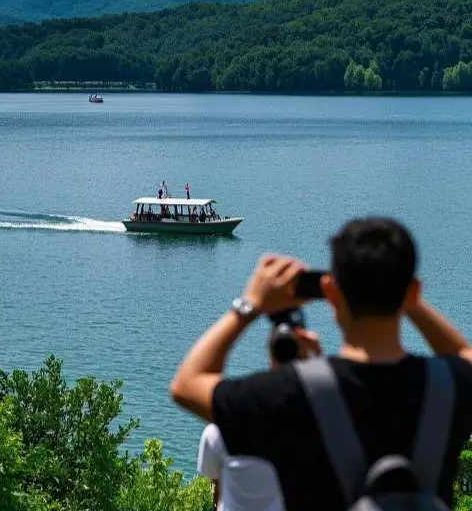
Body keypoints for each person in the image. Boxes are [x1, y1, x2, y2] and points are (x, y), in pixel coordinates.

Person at [170, 217, 472, 511]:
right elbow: (463, 353)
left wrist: (249, 305)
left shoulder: (290, 393)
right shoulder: (448, 385)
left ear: (331, 293)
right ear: (413, 291)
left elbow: (187, 384)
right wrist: (411, 302)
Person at [198, 309, 320, 511]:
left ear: (270, 352)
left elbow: (216, 490)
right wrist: (317, 366)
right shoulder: (324, 428)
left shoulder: (223, 428)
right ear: (305, 350)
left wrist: (246, 309)